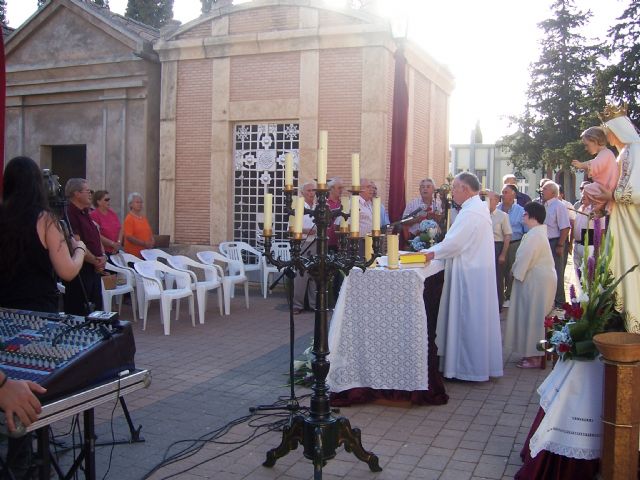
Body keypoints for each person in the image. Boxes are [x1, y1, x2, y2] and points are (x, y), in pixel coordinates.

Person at [0, 156, 86, 433]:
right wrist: (80, 250)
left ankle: (16, 447)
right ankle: (32, 449)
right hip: (39, 316)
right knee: (35, 381)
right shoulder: (46, 220)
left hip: (4, 314)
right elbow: (68, 272)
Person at [422, 172, 503, 382]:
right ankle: (470, 366)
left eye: (455, 188)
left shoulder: (471, 212)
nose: (452, 193)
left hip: (470, 274)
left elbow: (455, 243)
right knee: (473, 320)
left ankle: (467, 369)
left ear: (465, 189)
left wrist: (431, 253)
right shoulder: (476, 208)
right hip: (474, 270)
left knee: (468, 319)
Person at [504, 202, 556, 369]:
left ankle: (535, 356)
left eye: (525, 214)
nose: (522, 216)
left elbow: (526, 257)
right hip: (536, 280)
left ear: (533, 216)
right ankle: (534, 353)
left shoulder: (535, 235)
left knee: (535, 317)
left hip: (537, 282)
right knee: (533, 316)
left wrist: (514, 272)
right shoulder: (535, 233)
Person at [602, 106, 640, 333]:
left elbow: (635, 192)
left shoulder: (635, 150)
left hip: (632, 227)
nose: (608, 137)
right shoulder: (625, 152)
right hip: (622, 222)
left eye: (609, 131)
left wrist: (611, 195)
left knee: (631, 268)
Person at [63, 178, 106, 315]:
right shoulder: (69, 214)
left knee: (97, 311)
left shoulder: (86, 212)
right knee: (81, 312)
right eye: (88, 191)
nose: (90, 194)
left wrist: (102, 256)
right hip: (80, 272)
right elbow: (76, 243)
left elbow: (95, 234)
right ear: (76, 193)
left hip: (94, 270)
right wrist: (95, 260)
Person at [571, 126, 618, 216]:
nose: (586, 148)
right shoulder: (603, 154)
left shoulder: (606, 153)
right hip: (604, 186)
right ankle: (600, 208)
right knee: (588, 189)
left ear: (595, 141)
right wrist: (582, 165)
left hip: (606, 186)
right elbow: (593, 162)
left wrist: (581, 165)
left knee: (588, 189)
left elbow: (595, 165)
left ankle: (600, 207)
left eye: (586, 145)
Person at [541, 181, 570, 308]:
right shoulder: (544, 205)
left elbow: (565, 227)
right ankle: (548, 299)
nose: (542, 190)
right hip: (544, 242)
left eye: (545, 189)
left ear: (553, 192)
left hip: (554, 241)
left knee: (557, 272)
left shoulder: (559, 206)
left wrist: (560, 245)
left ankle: (560, 302)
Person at [498, 184, 527, 308]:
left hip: (515, 244)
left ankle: (510, 295)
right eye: (502, 192)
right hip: (499, 244)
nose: (503, 195)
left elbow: (526, 230)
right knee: (500, 271)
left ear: (513, 194)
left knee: (512, 270)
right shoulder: (497, 208)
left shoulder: (520, 211)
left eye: (506, 192)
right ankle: (500, 296)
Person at [292, 181, 317, 314]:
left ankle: (314, 304)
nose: (311, 193)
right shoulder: (298, 207)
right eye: (308, 191)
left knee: (315, 274)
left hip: (317, 243)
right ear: (302, 192)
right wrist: (306, 231)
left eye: (313, 190)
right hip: (304, 244)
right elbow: (290, 228)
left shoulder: (318, 207)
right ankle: (297, 305)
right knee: (301, 275)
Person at [489, 192, 512, 312]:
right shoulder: (480, 215)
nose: (486, 201)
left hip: (497, 246)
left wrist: (503, 254)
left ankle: (498, 304)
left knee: (498, 277)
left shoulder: (502, 216)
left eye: (489, 199)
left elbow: (507, 235)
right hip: (483, 247)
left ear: (497, 201)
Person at [90, 190, 123, 256]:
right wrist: (112, 244)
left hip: (115, 250)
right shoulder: (94, 215)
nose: (109, 201)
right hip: (104, 252)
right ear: (98, 202)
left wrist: (118, 243)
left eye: (109, 199)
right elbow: (96, 234)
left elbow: (120, 229)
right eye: (106, 200)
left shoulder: (112, 213)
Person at [123, 192, 154, 258]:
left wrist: (152, 241)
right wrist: (144, 243)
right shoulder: (129, 218)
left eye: (141, 202)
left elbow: (149, 232)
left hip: (146, 253)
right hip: (134, 255)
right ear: (130, 204)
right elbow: (129, 237)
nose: (140, 204)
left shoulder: (143, 218)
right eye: (137, 202)